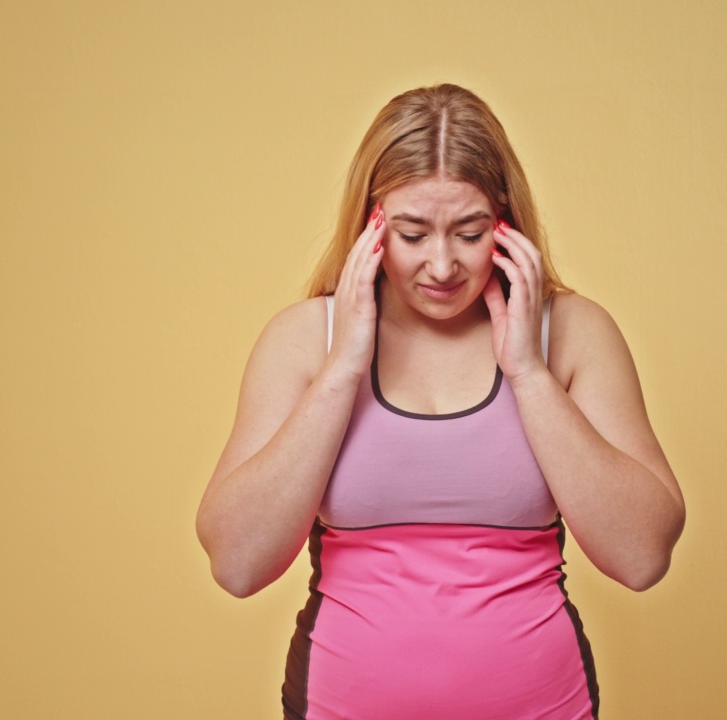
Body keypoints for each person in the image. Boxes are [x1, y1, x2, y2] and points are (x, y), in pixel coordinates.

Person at [196, 83, 685, 720]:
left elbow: (643, 555)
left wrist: (529, 374)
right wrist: (344, 366)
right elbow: (237, 563)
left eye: (470, 231)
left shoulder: (572, 333)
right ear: (372, 225)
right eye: (412, 233)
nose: (443, 264)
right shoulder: (304, 342)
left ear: (505, 222)